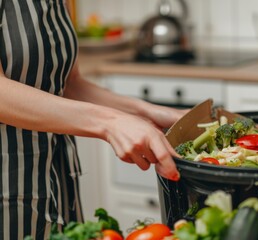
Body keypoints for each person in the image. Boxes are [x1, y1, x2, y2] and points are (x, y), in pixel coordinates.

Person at [0, 1, 187, 239]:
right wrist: (110, 123)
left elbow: (67, 84)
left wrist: (147, 112)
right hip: (9, 184)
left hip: (57, 177)